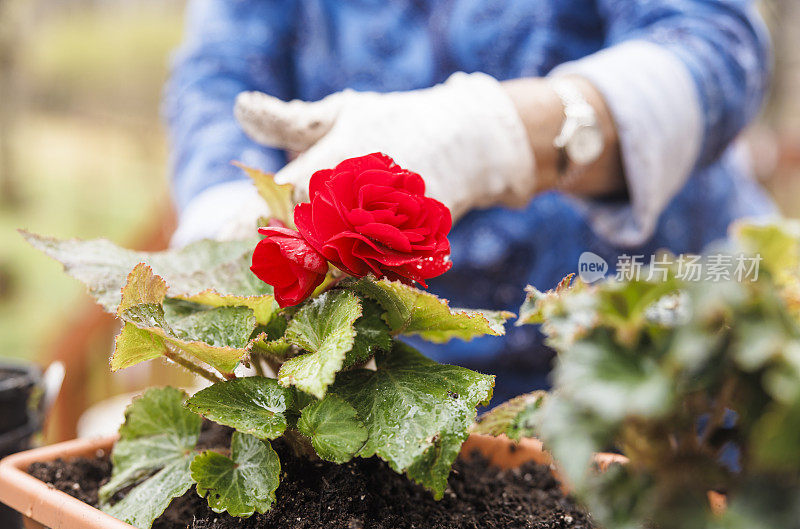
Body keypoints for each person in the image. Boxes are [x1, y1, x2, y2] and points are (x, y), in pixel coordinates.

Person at [165, 0, 775, 403]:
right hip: (395, 381)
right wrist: (224, 211)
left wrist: (500, 132)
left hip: (663, 352)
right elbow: (220, 72)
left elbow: (714, 45)